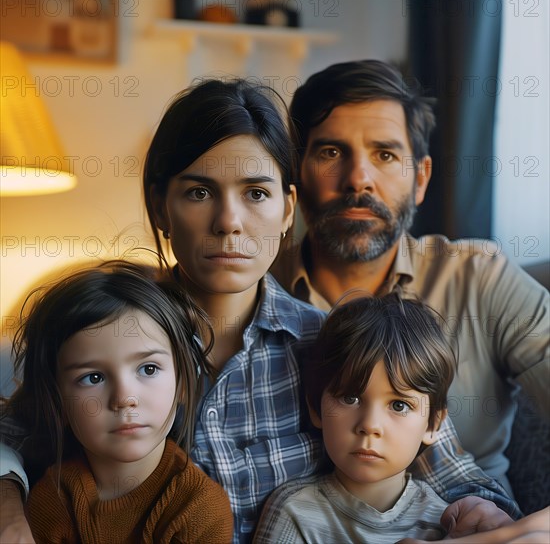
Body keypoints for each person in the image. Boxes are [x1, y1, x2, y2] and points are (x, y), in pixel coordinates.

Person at [0, 78, 520, 544]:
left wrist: (482, 512)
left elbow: (455, 476)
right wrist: (8, 510)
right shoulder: (116, 342)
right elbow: (10, 433)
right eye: (199, 192)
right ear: (161, 207)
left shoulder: (332, 345)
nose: (229, 222)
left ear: (288, 210)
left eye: (255, 193)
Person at [272, 59, 549, 495]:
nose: (358, 179)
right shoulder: (248, 293)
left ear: (420, 179)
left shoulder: (481, 280)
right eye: (330, 152)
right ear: (297, 176)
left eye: (385, 154)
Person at [1, 261, 233, 543]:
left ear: (183, 384)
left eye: (148, 369)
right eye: (93, 377)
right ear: (57, 400)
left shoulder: (200, 509)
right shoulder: (51, 501)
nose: (125, 399)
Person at [255, 293, 461, 542]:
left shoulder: (448, 523)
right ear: (315, 409)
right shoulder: (295, 512)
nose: (369, 426)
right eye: (350, 399)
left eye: (398, 405)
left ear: (433, 424)